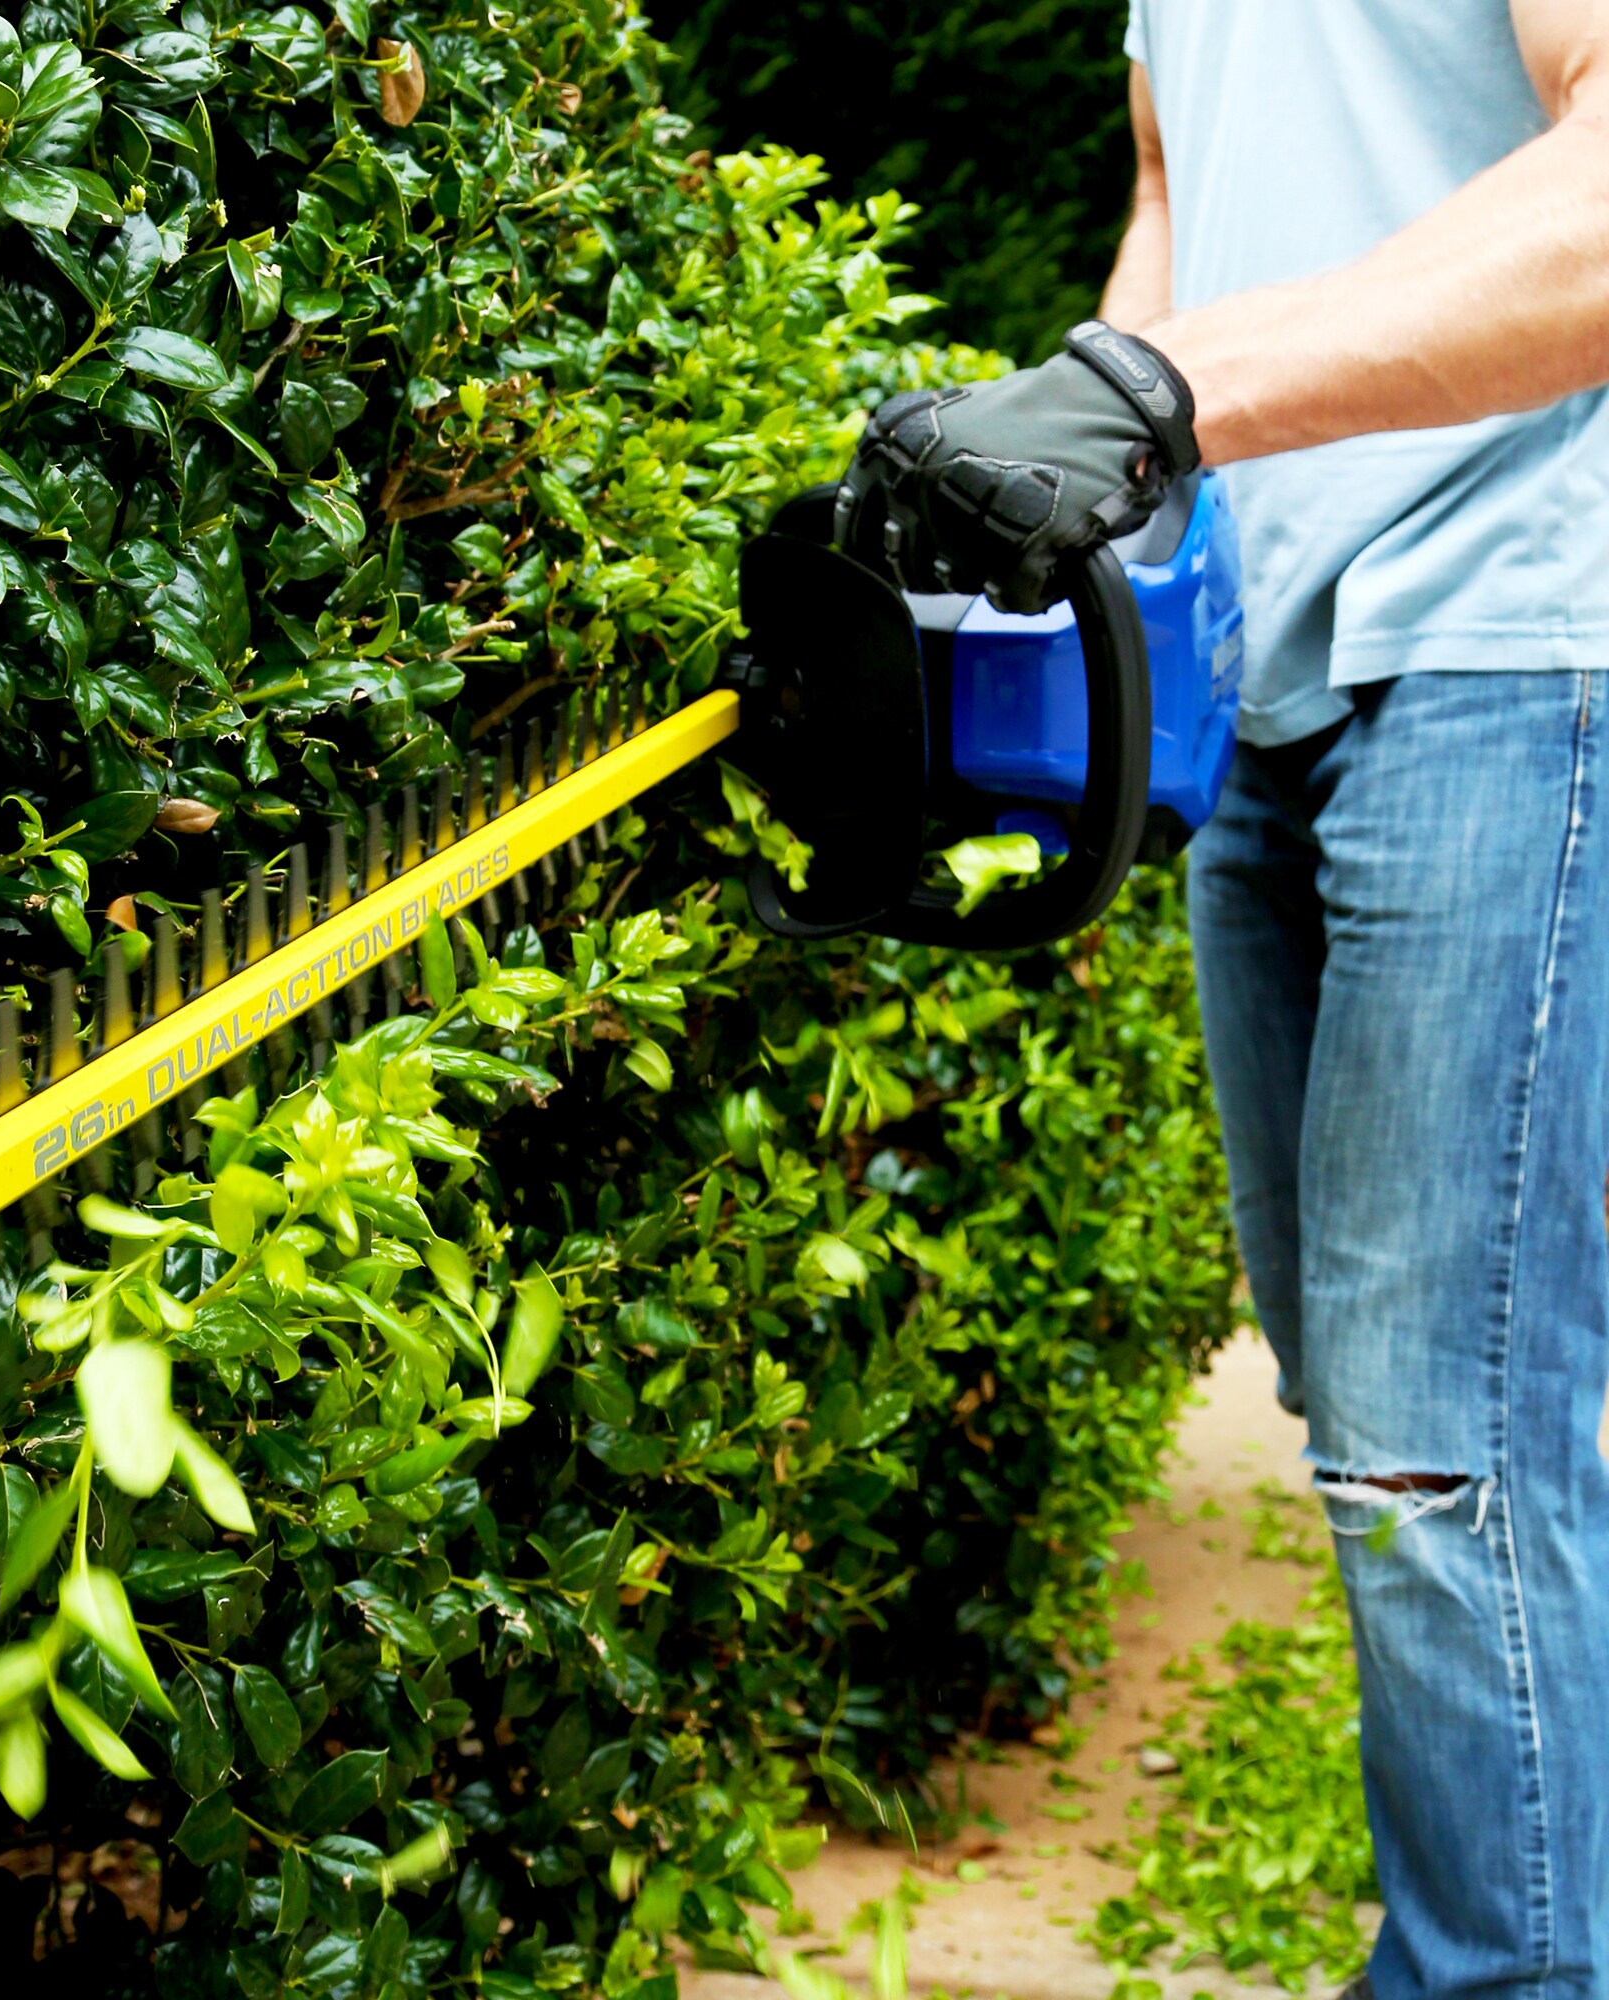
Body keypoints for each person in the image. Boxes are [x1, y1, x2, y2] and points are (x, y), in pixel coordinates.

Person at [832, 3, 1609, 1994]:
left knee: (1438, 1435)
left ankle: (1498, 1970)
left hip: (1523, 635)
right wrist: (1073, 494)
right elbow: (1182, 201)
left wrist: (1166, 392)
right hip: (1287, 663)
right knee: (1367, 1408)